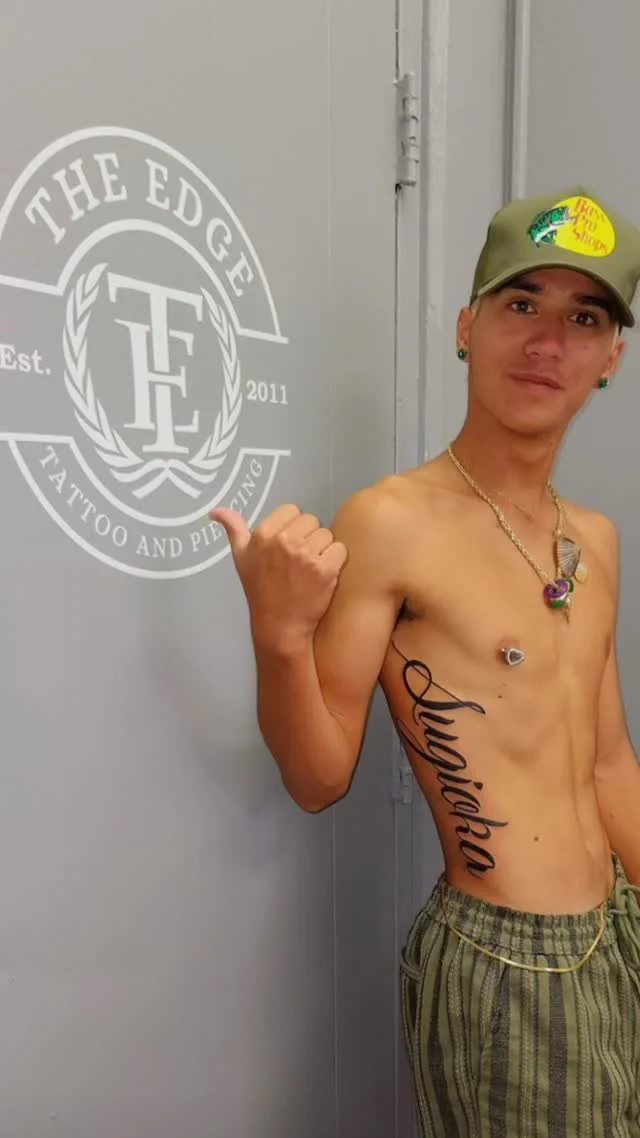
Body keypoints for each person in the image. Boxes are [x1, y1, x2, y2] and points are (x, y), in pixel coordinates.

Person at [212, 186, 640, 1136]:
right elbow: (318, 777)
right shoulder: (392, 522)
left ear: (611, 357)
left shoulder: (595, 539)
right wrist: (278, 632)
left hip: (621, 932)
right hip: (506, 965)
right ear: (466, 326)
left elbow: (610, 763)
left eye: (584, 318)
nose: (547, 341)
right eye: (521, 303)